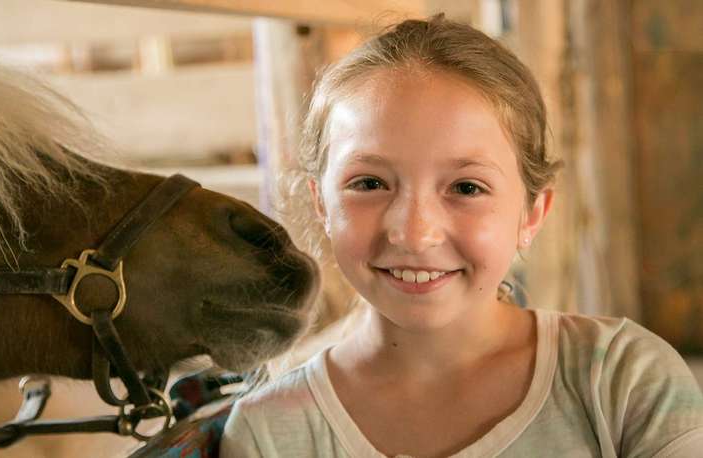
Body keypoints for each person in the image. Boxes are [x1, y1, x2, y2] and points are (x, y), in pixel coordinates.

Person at [220, 14, 703, 458]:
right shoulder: (271, 435)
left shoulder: (622, 381)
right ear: (322, 203)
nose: (413, 233)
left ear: (532, 213)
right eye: (369, 183)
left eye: (466, 187)